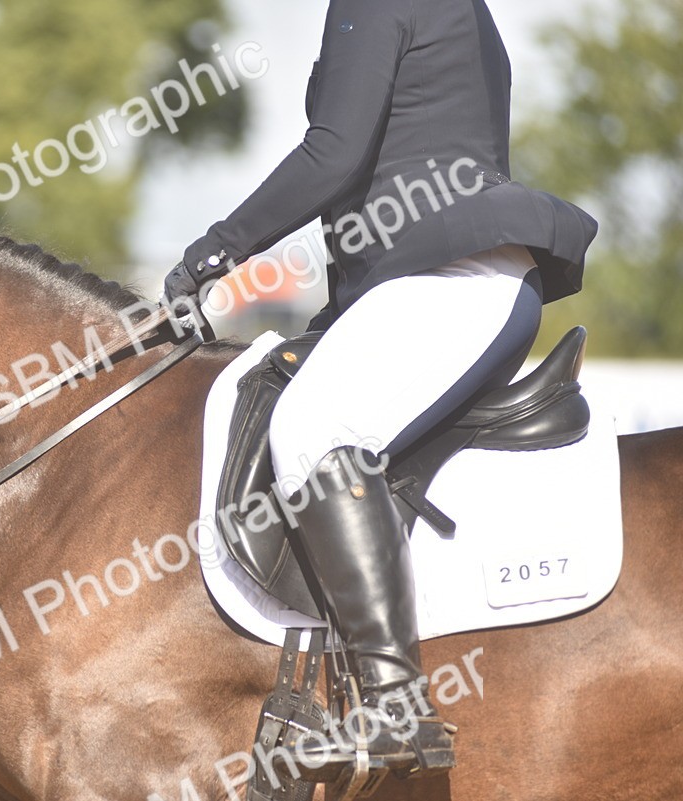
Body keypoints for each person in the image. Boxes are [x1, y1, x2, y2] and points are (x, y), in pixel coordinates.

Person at [163, 0, 597, 780]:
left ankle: (395, 706)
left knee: (312, 429)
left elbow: (333, 154)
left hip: (454, 279)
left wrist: (212, 253)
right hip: (445, 278)